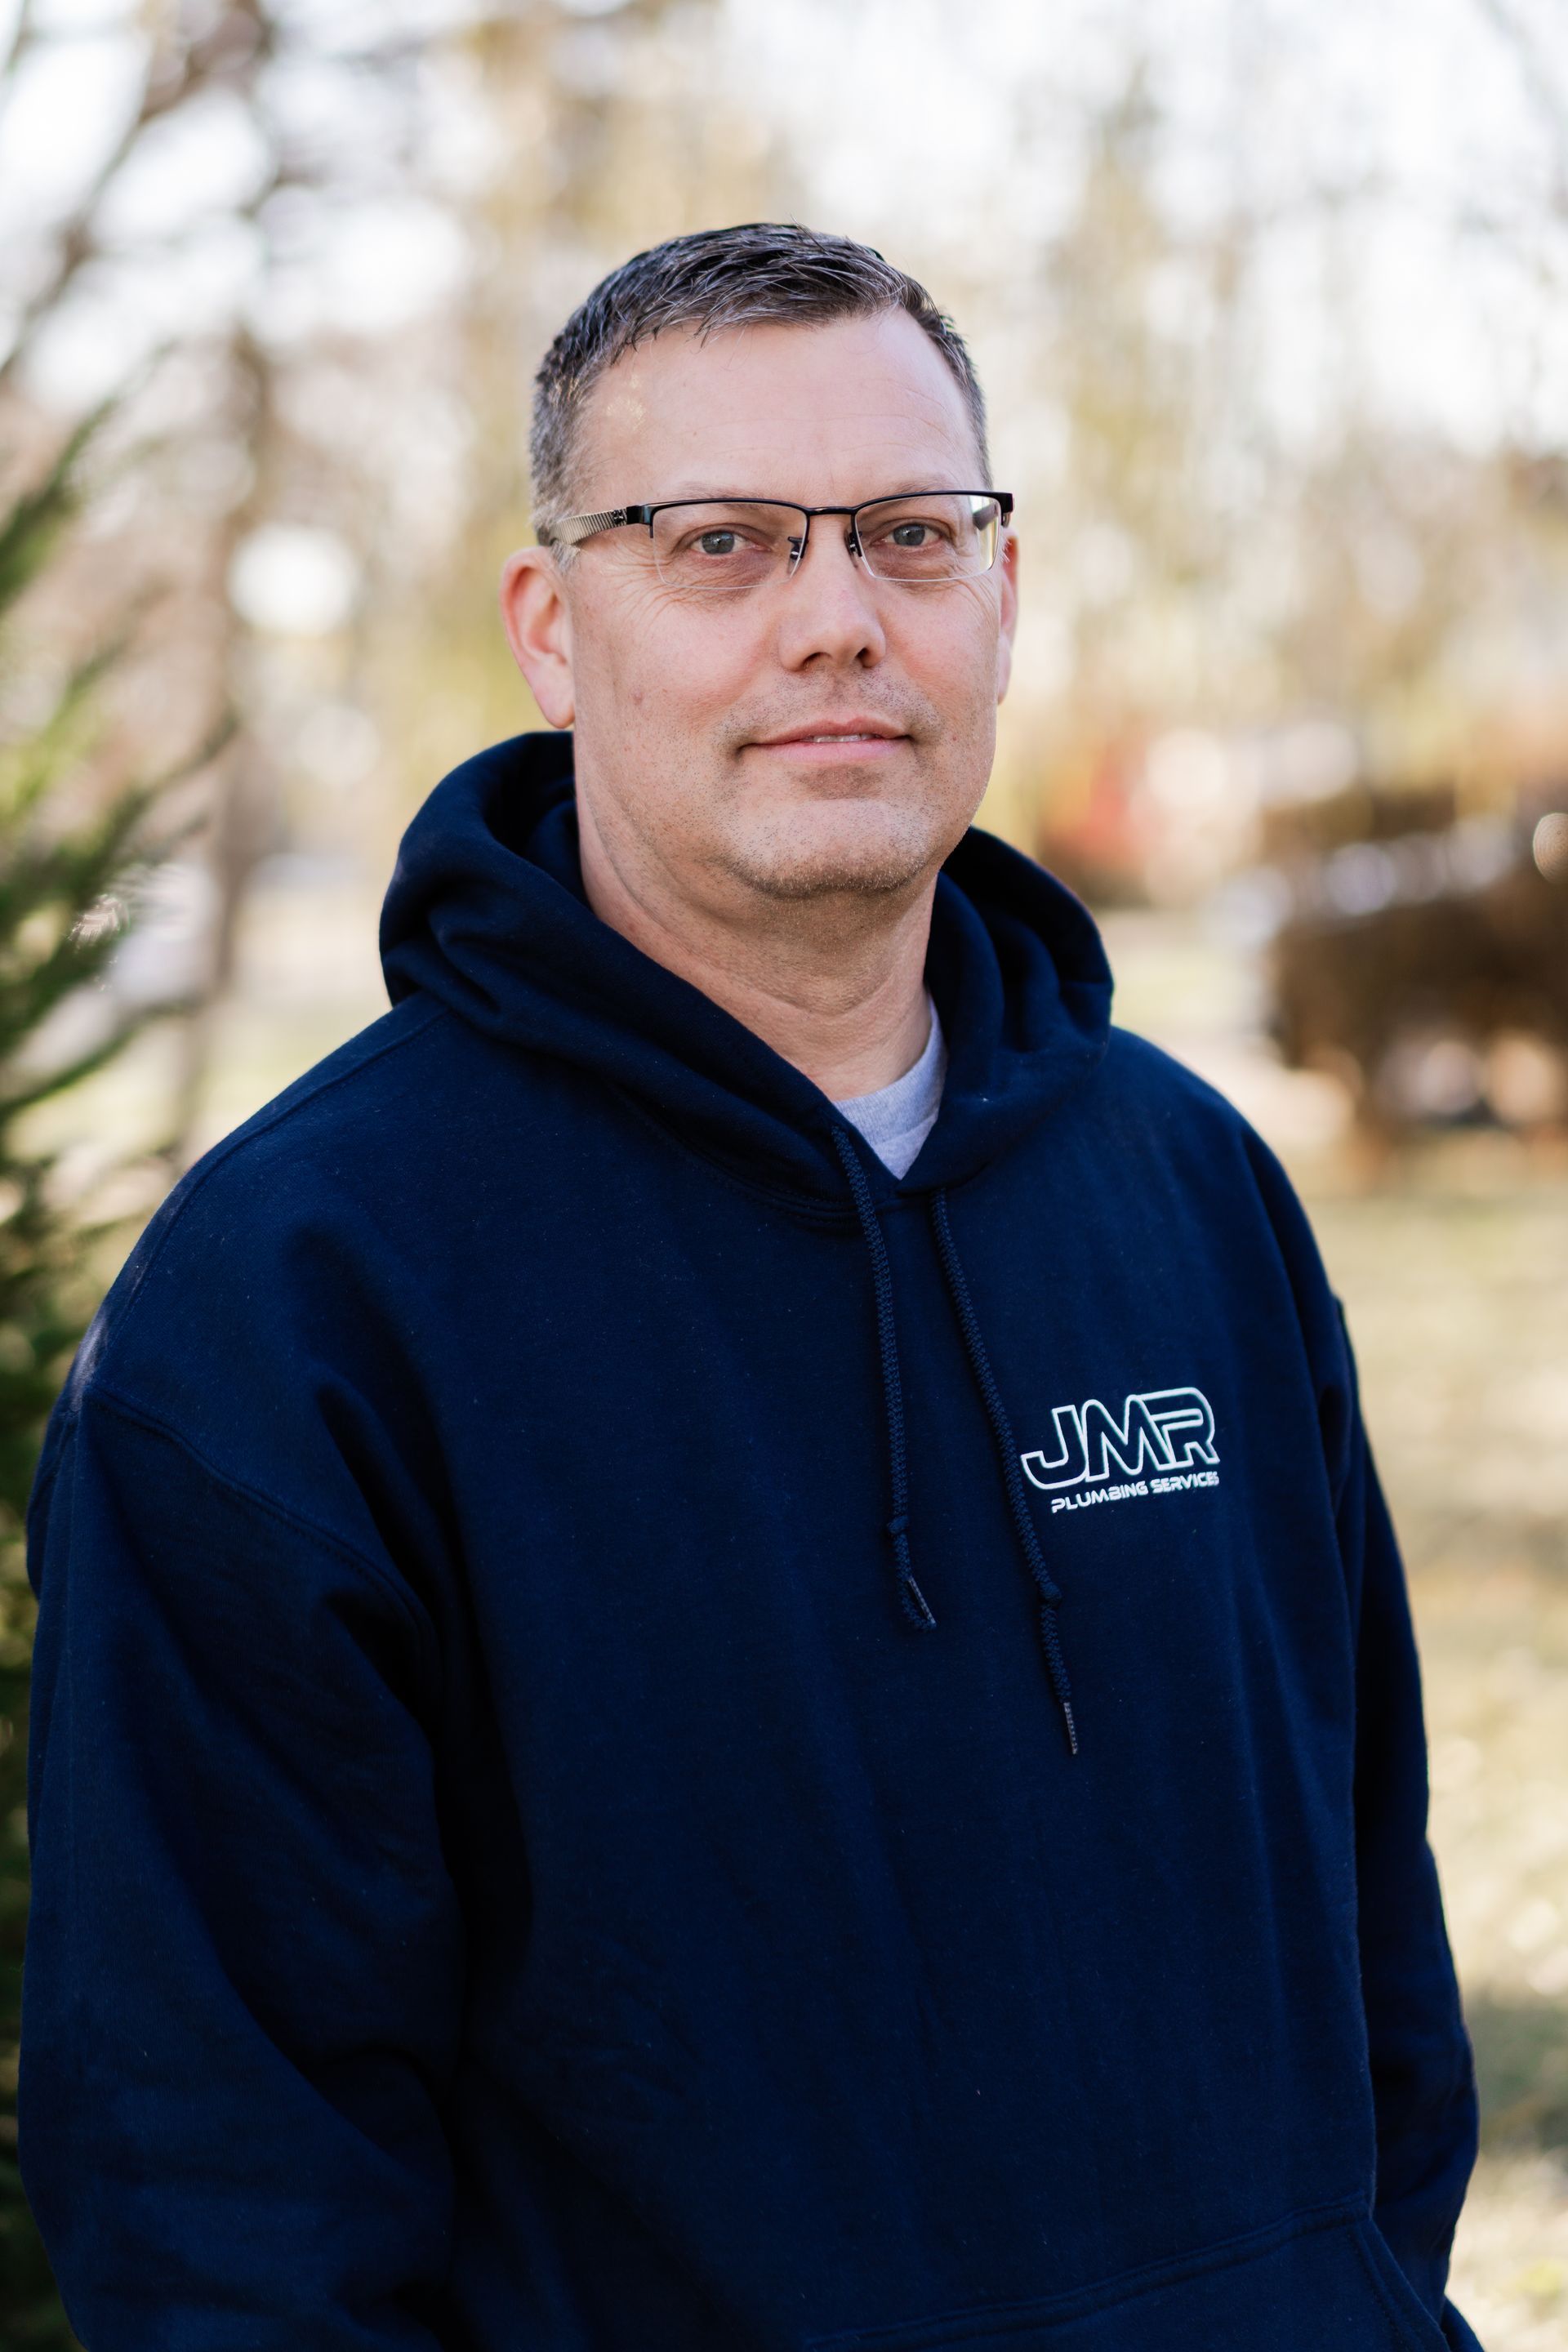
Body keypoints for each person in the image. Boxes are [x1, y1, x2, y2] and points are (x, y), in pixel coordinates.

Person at [22, 224, 1481, 2352]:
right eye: (719, 544)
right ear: (554, 627)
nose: (836, 618)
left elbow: (1375, 1961)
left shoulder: (1191, 1192)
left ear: (1001, 594)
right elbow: (220, 2204)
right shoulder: (292, 1307)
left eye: (911, 533)